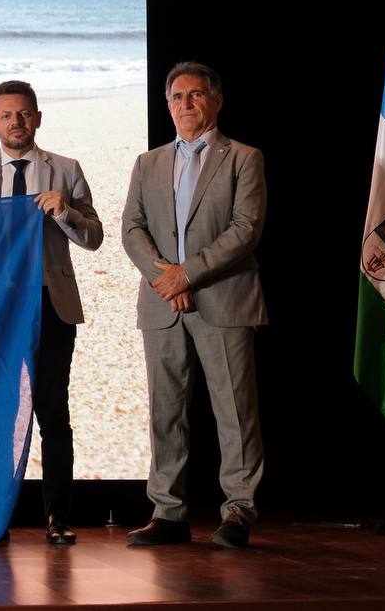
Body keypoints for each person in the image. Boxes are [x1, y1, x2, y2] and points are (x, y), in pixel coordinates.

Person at [121, 62, 265, 550]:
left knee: (233, 409)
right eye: (177, 96)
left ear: (216, 101)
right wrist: (167, 277)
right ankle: (169, 513)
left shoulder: (244, 158)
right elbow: (132, 229)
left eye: (196, 95)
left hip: (223, 300)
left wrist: (189, 273)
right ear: (167, 105)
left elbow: (245, 231)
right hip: (163, 304)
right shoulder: (148, 163)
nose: (186, 104)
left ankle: (239, 511)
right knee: (166, 412)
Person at [0, 80, 103, 546]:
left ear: (37, 118)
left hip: (49, 304)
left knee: (52, 412)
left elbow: (94, 238)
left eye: (24, 114)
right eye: (7, 115)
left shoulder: (65, 169)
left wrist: (66, 213)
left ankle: (58, 516)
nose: (15, 122)